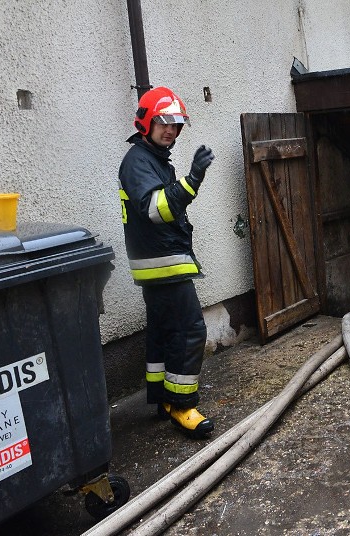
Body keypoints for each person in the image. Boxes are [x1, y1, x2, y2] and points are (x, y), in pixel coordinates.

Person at [118, 86, 216, 438]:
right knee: (190, 331)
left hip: (158, 263)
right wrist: (192, 180)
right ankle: (182, 405)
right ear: (145, 122)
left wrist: (187, 182)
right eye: (163, 122)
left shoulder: (151, 159)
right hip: (164, 264)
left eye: (176, 124)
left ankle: (162, 397)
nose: (171, 130)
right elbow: (155, 210)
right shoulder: (138, 161)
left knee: (163, 331)